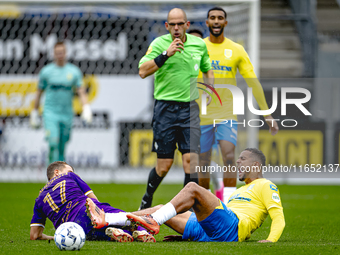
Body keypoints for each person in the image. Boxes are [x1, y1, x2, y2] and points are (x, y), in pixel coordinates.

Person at [197, 7, 279, 202]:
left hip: (226, 112)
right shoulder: (198, 47)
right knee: (202, 162)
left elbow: (253, 81)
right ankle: (204, 206)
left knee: (229, 155)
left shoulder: (236, 49)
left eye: (220, 18)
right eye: (212, 18)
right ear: (207, 23)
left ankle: (228, 203)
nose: (216, 21)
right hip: (201, 114)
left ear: (225, 23)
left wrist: (267, 113)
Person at [138, 8, 214, 210]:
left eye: (180, 24)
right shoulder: (159, 44)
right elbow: (142, 71)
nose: (177, 28)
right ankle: (147, 199)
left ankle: (187, 209)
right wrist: (166, 54)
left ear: (187, 25)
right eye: (172, 24)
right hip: (165, 109)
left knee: (191, 161)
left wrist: (209, 90)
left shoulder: (199, 44)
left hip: (190, 109)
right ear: (167, 26)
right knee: (164, 165)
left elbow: (207, 69)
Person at [123, 148, 285, 243]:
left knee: (193, 188)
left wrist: (271, 240)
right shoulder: (239, 190)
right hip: (210, 230)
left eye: (242, 159)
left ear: (256, 165)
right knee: (160, 209)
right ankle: (109, 221)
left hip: (232, 228)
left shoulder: (266, 185)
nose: (237, 162)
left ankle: (153, 222)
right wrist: (186, 238)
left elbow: (278, 218)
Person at [30, 161, 155, 242]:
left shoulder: (39, 199)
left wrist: (58, 237)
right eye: (69, 170)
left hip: (75, 230)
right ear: (56, 172)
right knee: (127, 218)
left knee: (103, 235)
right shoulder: (69, 176)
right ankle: (142, 230)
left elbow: (34, 235)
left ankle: (117, 232)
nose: (72, 173)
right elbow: (93, 199)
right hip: (85, 210)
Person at [30, 41, 92, 165]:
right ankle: (51, 178)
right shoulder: (46, 72)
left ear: (66, 53)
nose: (60, 55)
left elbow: (81, 91)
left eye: (62, 52)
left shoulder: (73, 72)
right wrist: (34, 112)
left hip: (67, 113)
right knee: (53, 142)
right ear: (53, 54)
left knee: (62, 147)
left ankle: (61, 178)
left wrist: (86, 108)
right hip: (50, 112)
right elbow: (39, 93)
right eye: (57, 52)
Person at [187, 28, 224, 201]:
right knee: (192, 162)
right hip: (187, 118)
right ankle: (203, 196)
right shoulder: (183, 64)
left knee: (203, 159)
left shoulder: (207, 66)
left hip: (207, 120)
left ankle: (216, 191)